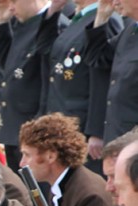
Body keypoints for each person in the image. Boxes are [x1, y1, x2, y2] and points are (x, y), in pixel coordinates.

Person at [0, 0, 67, 171]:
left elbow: (49, 80)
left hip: (32, 122)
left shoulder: (52, 25)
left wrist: (40, 124)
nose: (11, 7)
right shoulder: (21, 25)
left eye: (15, 1)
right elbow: (11, 65)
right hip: (14, 125)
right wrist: (1, 22)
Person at [44, 0, 122, 165]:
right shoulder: (78, 18)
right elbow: (46, 54)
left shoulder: (106, 19)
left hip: (83, 125)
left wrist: (97, 130)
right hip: (63, 120)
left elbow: (102, 76)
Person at [86, 0, 138, 143]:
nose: (115, 2)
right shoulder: (130, 31)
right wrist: (101, 17)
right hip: (116, 134)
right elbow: (98, 58)